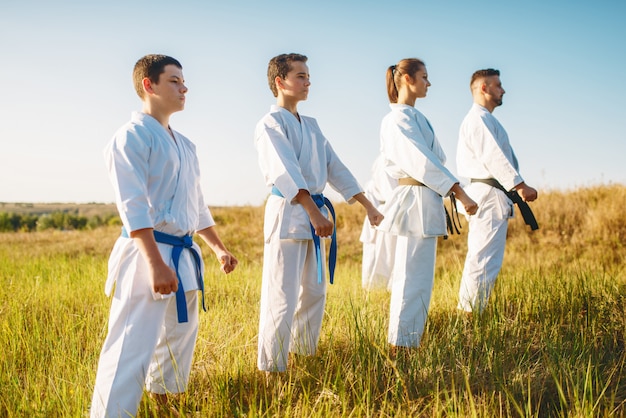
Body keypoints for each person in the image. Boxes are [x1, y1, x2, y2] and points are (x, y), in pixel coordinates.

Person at [90, 54, 238, 417]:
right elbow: (133, 206)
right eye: (174, 81)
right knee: (130, 345)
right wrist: (155, 263)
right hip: (146, 254)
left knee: (178, 339)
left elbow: (196, 205)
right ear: (148, 85)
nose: (184, 87)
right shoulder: (130, 137)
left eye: (183, 81)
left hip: (183, 255)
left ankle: (164, 407)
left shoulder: (186, 145)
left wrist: (218, 248)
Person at [255, 53, 384, 373]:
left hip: (314, 218)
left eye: (308, 76)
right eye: (300, 76)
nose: (307, 81)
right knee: (281, 299)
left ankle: (302, 357)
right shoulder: (270, 123)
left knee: (314, 293)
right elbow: (285, 173)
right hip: (289, 215)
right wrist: (315, 214)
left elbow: (334, 167)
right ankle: (273, 370)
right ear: (280, 82)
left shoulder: (311, 126)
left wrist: (368, 206)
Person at [376, 58, 478, 351]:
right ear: (406, 79)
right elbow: (422, 162)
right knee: (410, 278)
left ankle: (410, 341)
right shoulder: (396, 119)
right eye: (424, 77)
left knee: (420, 279)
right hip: (413, 203)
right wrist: (460, 192)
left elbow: (433, 161)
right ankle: (401, 346)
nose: (428, 83)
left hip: (425, 199)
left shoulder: (415, 117)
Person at [456, 68, 538, 314]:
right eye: (498, 85)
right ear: (484, 88)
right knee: (482, 260)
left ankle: (473, 311)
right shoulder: (477, 119)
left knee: (486, 259)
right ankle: (470, 316)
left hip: (492, 194)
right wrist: (519, 185)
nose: (503, 89)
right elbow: (493, 156)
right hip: (488, 194)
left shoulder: (486, 119)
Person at [359, 154, 397, 291]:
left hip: (387, 214)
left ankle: (380, 291)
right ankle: (373, 293)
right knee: (378, 260)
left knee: (383, 259)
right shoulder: (385, 161)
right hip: (384, 215)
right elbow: (392, 193)